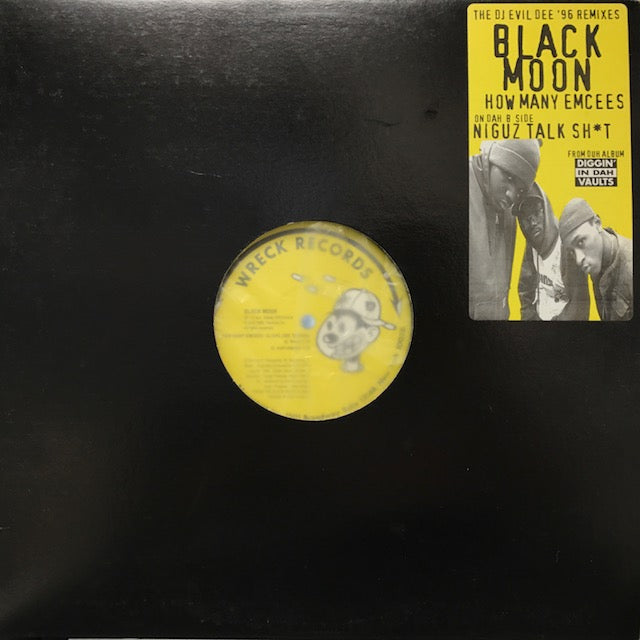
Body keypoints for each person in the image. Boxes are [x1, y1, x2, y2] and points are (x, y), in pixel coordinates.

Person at [469, 139, 542, 320]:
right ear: (490, 159)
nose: (511, 195)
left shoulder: (508, 207)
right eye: (508, 178)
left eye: (520, 190)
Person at [515, 193, 590, 320]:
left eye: (537, 213)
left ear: (547, 212)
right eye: (526, 218)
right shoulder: (532, 243)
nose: (532, 222)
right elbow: (525, 289)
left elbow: (579, 305)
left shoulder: (566, 245)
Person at [559, 198, 632, 321]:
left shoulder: (631, 268)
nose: (578, 260)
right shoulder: (598, 261)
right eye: (572, 252)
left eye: (581, 242)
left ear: (597, 223)